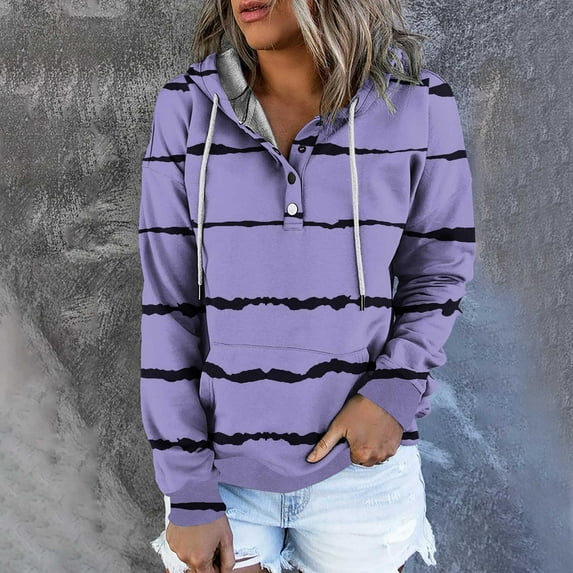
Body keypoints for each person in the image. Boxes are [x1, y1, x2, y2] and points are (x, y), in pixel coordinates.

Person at [137, 0, 476, 571]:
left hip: (362, 466)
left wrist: (393, 394)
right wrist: (188, 488)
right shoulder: (187, 106)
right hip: (221, 474)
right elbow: (168, 305)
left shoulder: (419, 104)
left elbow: (438, 270)